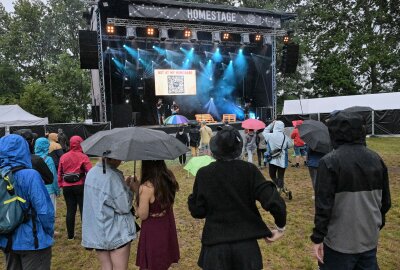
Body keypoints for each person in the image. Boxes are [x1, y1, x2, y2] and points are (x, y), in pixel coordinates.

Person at [188, 126, 287, 270]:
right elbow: (274, 201)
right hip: (246, 249)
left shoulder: (205, 173)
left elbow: (198, 211)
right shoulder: (249, 170)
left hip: (216, 248)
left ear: (215, 149)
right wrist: (280, 226)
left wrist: (193, 198)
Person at [311, 111, 391, 270]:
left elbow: (323, 206)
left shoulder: (329, 162)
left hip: (338, 244)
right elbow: (386, 203)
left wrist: (317, 238)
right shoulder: (376, 159)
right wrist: (373, 226)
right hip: (368, 239)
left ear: (334, 133)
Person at [0, 134, 55, 270]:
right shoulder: (31, 175)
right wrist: (48, 232)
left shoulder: (1, 175)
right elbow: (44, 210)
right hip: (33, 240)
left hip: (7, 239)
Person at [82, 158, 137, 270]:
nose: (121, 161)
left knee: (106, 266)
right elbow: (124, 206)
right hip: (116, 232)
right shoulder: (112, 177)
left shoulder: (92, 172)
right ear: (114, 158)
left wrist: (123, 186)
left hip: (98, 231)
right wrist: (131, 190)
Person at [135, 160, 180, 270]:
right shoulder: (168, 178)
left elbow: (143, 215)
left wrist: (138, 194)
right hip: (166, 224)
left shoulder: (146, 187)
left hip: (152, 229)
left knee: (153, 261)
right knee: (163, 258)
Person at [58, 136, 92, 240]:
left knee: (70, 210)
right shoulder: (83, 157)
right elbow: (90, 171)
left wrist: (60, 184)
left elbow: (59, 172)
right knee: (83, 210)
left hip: (67, 187)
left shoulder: (63, 156)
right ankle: (86, 235)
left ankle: (70, 236)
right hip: (80, 185)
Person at [34, 138, 60, 233]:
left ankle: (39, 229)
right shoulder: (48, 159)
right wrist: (57, 190)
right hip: (49, 189)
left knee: (38, 209)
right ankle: (50, 230)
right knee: (50, 210)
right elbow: (53, 176)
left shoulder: (31, 158)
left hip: (36, 189)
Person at [263, 121, 293, 193]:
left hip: (272, 159)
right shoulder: (285, 137)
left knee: (272, 175)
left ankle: (280, 188)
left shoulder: (269, 135)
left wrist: (271, 124)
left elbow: (265, 131)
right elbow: (290, 145)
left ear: (275, 126)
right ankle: (282, 188)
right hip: (282, 159)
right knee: (280, 176)